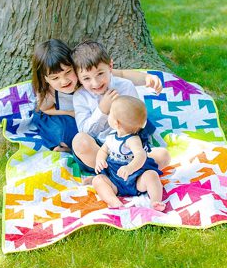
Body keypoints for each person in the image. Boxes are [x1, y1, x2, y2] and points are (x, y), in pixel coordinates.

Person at [28, 38, 163, 152]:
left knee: (134, 120)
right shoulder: (49, 92)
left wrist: (146, 78)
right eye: (55, 78)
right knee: (69, 133)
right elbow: (44, 109)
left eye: (68, 72)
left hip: (90, 114)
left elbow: (121, 74)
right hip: (63, 114)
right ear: (46, 79)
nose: (64, 81)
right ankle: (75, 149)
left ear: (74, 66)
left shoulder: (88, 74)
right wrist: (70, 113)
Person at [70, 40, 170, 172]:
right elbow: (86, 132)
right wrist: (102, 110)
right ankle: (116, 173)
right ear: (78, 78)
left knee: (163, 155)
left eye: (100, 74)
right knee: (80, 141)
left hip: (128, 145)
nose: (95, 83)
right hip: (100, 149)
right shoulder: (80, 96)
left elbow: (137, 121)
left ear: (110, 66)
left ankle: (125, 171)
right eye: (86, 78)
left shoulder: (125, 86)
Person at [90, 95, 165, 210]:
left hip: (136, 179)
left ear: (116, 123)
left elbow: (140, 155)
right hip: (114, 179)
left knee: (151, 175)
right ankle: (114, 202)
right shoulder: (111, 136)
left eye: (110, 113)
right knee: (98, 180)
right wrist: (100, 160)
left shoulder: (132, 140)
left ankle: (156, 201)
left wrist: (130, 168)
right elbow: (103, 150)